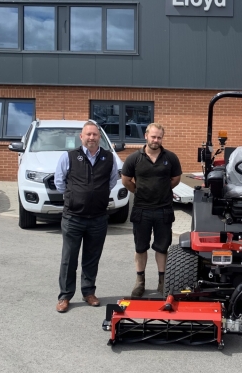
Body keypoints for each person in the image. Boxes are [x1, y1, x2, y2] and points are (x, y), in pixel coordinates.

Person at [54, 121, 118, 313]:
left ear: (99, 137)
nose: (91, 137)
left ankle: (88, 292)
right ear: (81, 137)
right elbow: (59, 182)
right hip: (73, 217)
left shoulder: (109, 158)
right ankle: (65, 296)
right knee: (69, 258)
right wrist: (76, 196)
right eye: (88, 134)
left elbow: (112, 181)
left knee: (92, 258)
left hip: (98, 218)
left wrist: (95, 195)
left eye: (95, 135)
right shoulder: (69, 156)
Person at [122, 123, 182, 298]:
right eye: (153, 137)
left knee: (162, 248)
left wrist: (162, 191)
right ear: (146, 136)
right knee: (140, 248)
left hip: (164, 210)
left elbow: (176, 179)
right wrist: (139, 191)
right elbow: (126, 181)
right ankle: (140, 282)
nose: (156, 140)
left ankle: (162, 282)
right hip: (142, 209)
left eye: (159, 137)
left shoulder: (170, 158)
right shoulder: (134, 158)